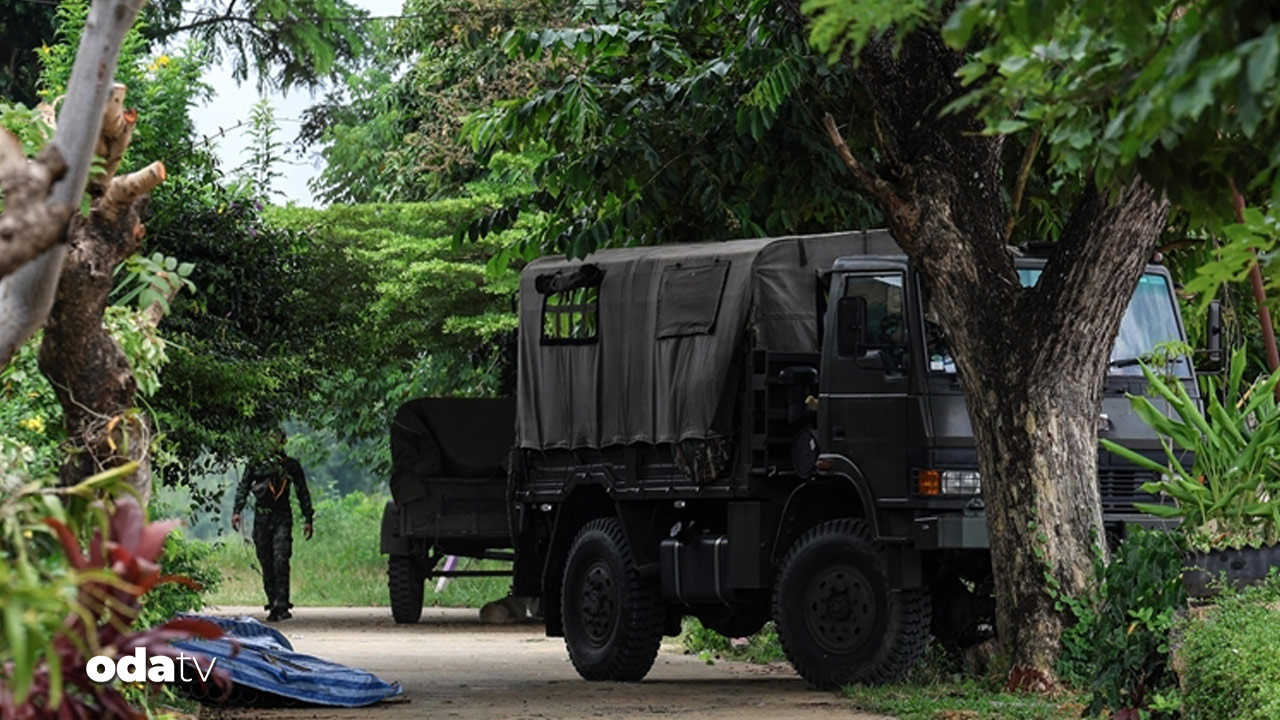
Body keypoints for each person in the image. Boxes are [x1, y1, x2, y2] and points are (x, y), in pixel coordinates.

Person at [232, 431, 314, 621]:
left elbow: (303, 492)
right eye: (269, 439)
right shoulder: (256, 464)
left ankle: (283, 603)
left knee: (281, 558)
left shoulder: (291, 465)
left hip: (282, 516)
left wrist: (308, 518)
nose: (273, 443)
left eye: (277, 439)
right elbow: (243, 486)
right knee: (266, 560)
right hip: (262, 517)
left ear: (283, 441)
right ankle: (273, 602)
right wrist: (237, 511)